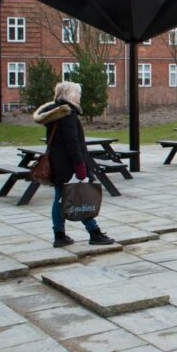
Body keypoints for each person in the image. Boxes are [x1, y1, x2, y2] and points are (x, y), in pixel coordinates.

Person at [32, 81, 116, 248]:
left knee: (61, 199)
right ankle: (94, 232)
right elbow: (73, 143)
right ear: (70, 95)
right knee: (78, 196)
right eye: (77, 94)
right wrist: (80, 166)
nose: (79, 97)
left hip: (57, 163)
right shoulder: (68, 115)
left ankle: (59, 235)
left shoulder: (55, 114)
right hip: (68, 165)